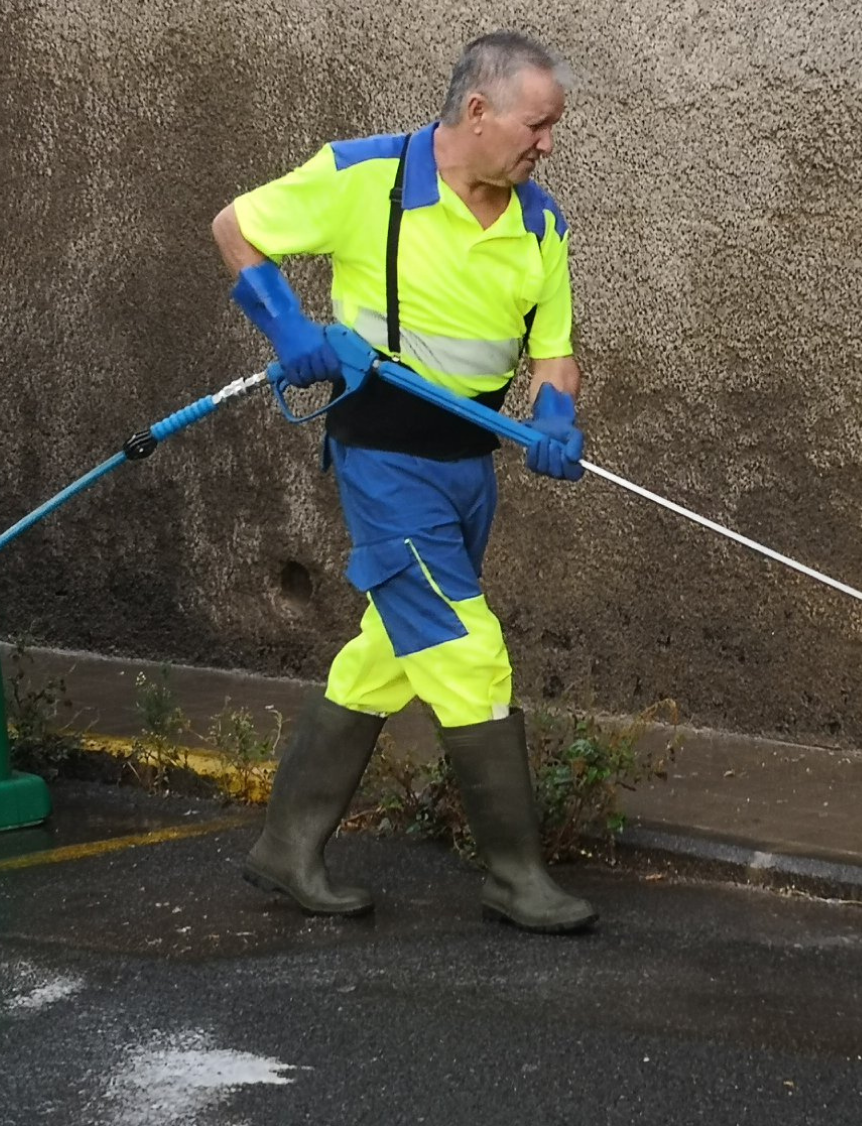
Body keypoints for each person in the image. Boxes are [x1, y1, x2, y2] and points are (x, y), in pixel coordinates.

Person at [209, 30, 595, 934]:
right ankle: (514, 876)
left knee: (386, 653)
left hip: (471, 473)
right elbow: (237, 229)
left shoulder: (540, 222)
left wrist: (556, 416)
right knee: (468, 652)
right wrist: (285, 325)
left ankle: (285, 848)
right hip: (384, 465)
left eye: (551, 129)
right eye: (537, 126)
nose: (547, 144)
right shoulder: (364, 178)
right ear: (477, 111)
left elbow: (555, 352)